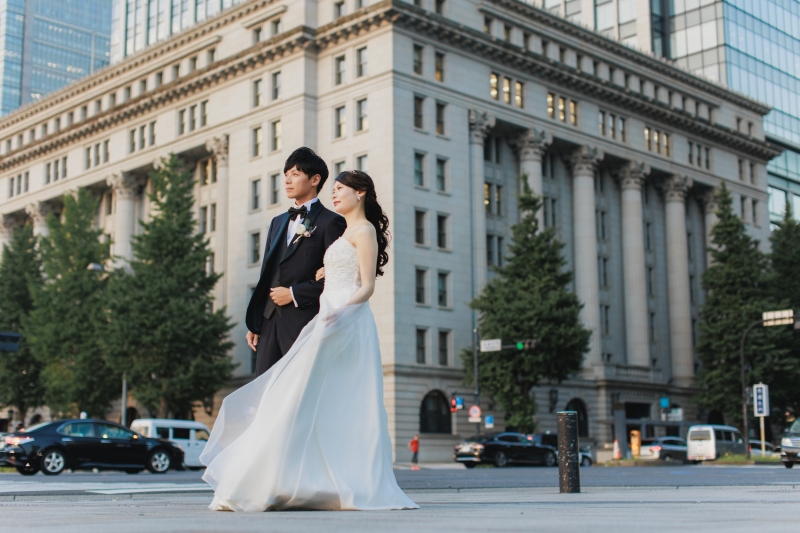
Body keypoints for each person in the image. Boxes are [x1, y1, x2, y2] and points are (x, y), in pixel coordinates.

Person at [201, 170, 418, 512]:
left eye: (341, 189)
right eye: (334, 189)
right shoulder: (345, 231)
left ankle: (327, 479)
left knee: (331, 398)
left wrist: (339, 310)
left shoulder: (364, 230)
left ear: (360, 193)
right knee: (306, 396)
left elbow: (367, 286)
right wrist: (326, 274)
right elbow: (335, 268)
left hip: (345, 320)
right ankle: (290, 478)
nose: (335, 195)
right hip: (328, 315)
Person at [244, 147, 346, 375]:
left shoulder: (332, 222)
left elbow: (337, 280)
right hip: (269, 323)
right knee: (267, 392)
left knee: (298, 393)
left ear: (315, 179)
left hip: (304, 322)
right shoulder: (277, 222)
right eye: (286, 174)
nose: (288, 180)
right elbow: (266, 275)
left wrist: (293, 293)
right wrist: (256, 323)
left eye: (295, 174)